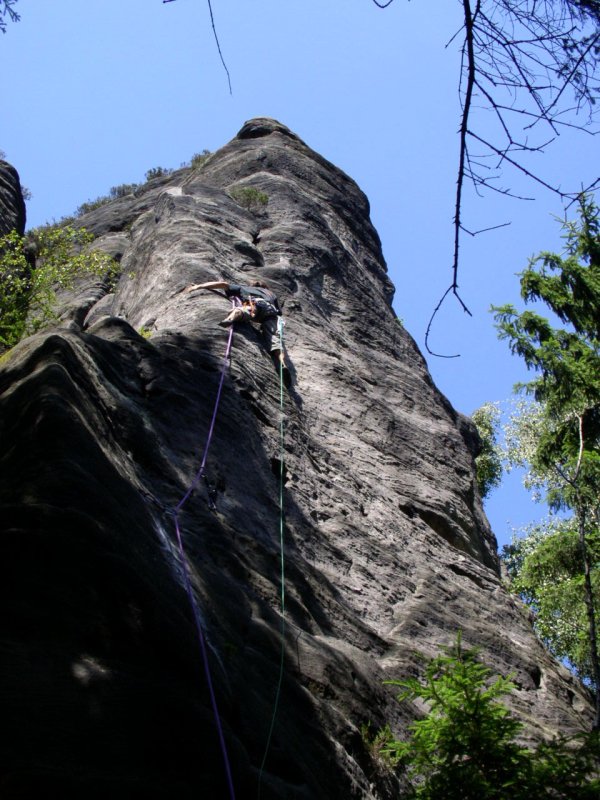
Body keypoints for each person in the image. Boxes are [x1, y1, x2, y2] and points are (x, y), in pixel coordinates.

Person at [185, 279, 290, 385]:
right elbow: (279, 312)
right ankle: (282, 363)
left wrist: (198, 286)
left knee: (241, 310)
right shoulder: (271, 294)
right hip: (270, 313)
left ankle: (232, 317)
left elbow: (223, 284)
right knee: (276, 341)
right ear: (265, 287)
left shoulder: (245, 288)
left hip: (254, 304)